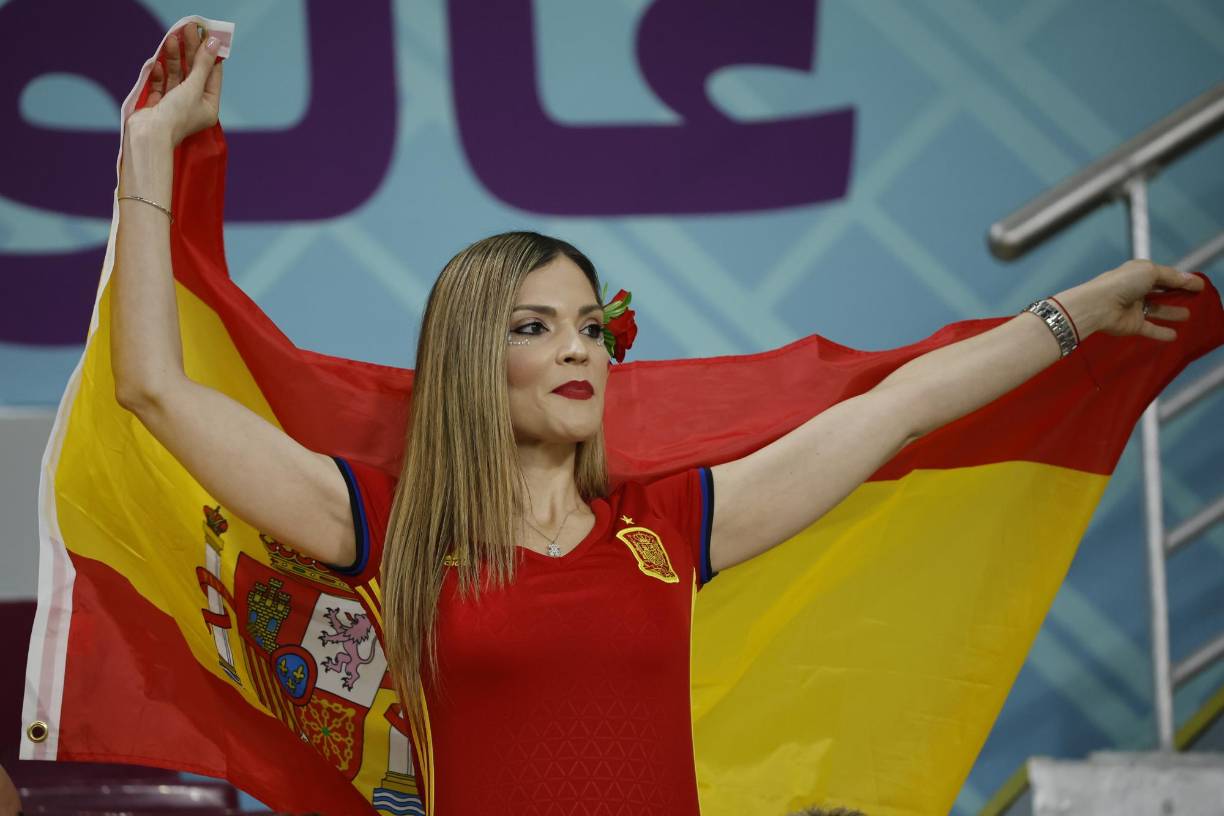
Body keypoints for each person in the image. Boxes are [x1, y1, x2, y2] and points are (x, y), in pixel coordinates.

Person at [112, 23, 1206, 815]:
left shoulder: (676, 523)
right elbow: (154, 389)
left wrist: (1070, 314)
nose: (580, 346)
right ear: (466, 363)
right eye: (536, 328)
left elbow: (902, 408)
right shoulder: (387, 523)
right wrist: (150, 154)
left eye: (591, 324)